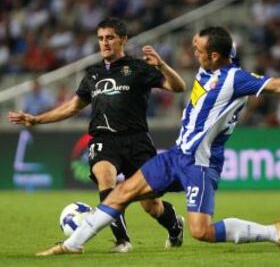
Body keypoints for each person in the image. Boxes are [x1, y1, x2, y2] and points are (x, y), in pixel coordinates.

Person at [34, 26, 280, 256]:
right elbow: (217, 50)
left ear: (215, 55)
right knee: (121, 192)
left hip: (200, 162)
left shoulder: (235, 79)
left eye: (198, 49)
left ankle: (273, 232)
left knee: (202, 231)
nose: (193, 52)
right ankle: (71, 246)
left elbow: (278, 85)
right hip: (176, 154)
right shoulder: (208, 65)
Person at [8, 17, 186, 253]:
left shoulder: (139, 68)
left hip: (137, 140)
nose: (105, 43)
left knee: (150, 204)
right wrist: (36, 119)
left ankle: (175, 225)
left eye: (110, 37)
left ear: (123, 39)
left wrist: (162, 65)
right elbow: (72, 107)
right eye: (101, 38)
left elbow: (178, 87)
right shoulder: (92, 74)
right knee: (105, 177)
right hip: (104, 140)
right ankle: (123, 241)